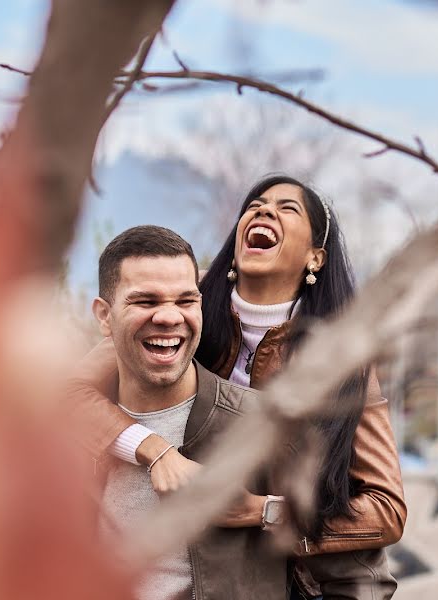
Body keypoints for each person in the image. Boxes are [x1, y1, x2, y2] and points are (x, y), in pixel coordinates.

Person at [70, 175, 406, 599]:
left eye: (288, 208)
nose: (264, 211)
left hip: (307, 577)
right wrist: (157, 452)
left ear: (315, 258)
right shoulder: (182, 305)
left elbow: (386, 511)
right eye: (256, 204)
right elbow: (70, 395)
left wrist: (263, 511)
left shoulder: (343, 362)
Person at [90, 224, 289, 600]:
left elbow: (350, 571)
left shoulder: (260, 426)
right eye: (145, 301)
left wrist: (264, 511)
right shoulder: (66, 434)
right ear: (104, 316)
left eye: (185, 301)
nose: (169, 317)